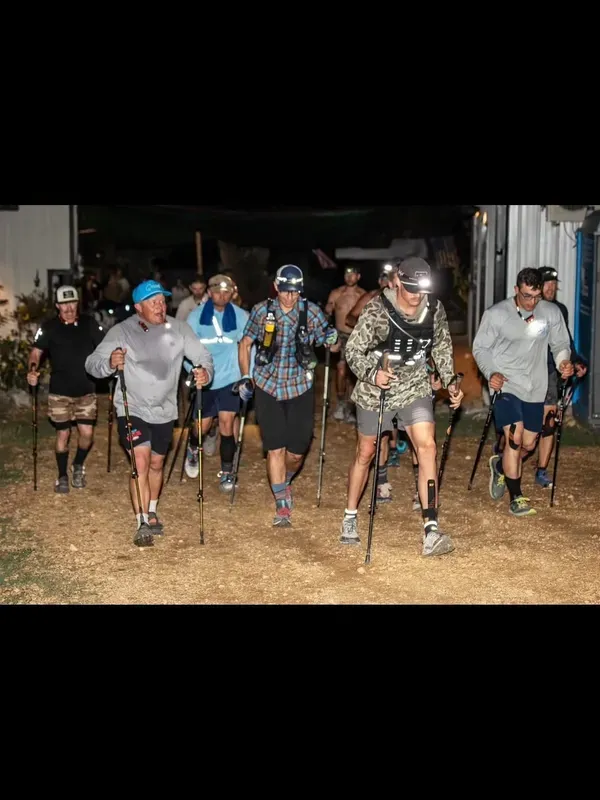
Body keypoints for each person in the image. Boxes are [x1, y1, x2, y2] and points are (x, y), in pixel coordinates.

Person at [341, 257, 464, 557]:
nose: (415, 295)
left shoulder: (433, 310)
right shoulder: (377, 310)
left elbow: (442, 346)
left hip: (414, 387)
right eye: (409, 287)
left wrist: (450, 382)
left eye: (420, 288)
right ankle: (350, 516)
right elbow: (353, 350)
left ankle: (431, 529)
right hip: (376, 387)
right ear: (397, 280)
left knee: (427, 447)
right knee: (366, 452)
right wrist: (373, 373)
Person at [85, 279, 213, 545]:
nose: (160, 305)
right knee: (140, 462)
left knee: (156, 463)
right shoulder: (122, 331)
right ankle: (141, 521)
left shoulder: (179, 328)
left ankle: (152, 509)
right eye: (153, 301)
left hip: (165, 411)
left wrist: (204, 373)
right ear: (138, 307)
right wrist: (110, 362)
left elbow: (203, 356)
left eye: (163, 300)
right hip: (132, 408)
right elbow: (92, 364)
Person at [237, 264, 340, 527]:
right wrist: (246, 376)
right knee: (275, 448)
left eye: (294, 292)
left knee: (296, 451)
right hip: (267, 385)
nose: (290, 298)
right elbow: (246, 343)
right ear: (276, 287)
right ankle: (282, 504)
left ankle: (286, 480)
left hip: (299, 387)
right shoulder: (262, 311)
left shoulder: (311, 312)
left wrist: (332, 338)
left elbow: (331, 342)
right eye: (285, 291)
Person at [472, 267, 574, 517]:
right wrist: (491, 373)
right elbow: (481, 348)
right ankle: (516, 497)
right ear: (516, 290)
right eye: (527, 296)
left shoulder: (550, 313)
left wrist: (563, 361)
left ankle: (499, 465)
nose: (532, 302)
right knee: (515, 438)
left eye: (536, 296)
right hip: (506, 384)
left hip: (535, 387)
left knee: (529, 443)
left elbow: (560, 343)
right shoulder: (497, 314)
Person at [27, 285, 106, 494]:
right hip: (60, 391)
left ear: (77, 303)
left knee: (87, 434)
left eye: (72, 303)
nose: (68, 308)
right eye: (64, 304)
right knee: (63, 434)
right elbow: (36, 352)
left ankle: (78, 464)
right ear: (57, 306)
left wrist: (113, 363)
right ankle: (62, 475)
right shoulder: (49, 327)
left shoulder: (89, 324)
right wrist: (33, 370)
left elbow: (104, 347)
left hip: (86, 389)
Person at [184, 274, 250, 491]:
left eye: (226, 291)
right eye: (217, 291)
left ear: (232, 293)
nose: (222, 295)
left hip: (230, 378)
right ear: (209, 293)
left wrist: (248, 375)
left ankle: (227, 471)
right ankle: (193, 448)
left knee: (226, 424)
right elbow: (186, 349)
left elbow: (249, 346)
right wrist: (193, 373)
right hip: (206, 379)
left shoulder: (241, 316)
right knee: (201, 426)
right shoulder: (195, 317)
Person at [325, 265, 366, 423]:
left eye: (353, 274)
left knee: (356, 374)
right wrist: (327, 310)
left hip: (357, 337)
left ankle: (353, 406)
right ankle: (341, 403)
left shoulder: (363, 295)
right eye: (347, 274)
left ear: (358, 277)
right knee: (341, 370)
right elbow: (327, 313)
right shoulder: (336, 293)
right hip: (340, 335)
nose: (350, 277)